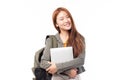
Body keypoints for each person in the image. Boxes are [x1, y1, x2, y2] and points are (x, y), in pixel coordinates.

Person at [40, 7, 86, 80]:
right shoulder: (51, 40)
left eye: (68, 17)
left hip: (74, 78)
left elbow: (80, 60)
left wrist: (57, 67)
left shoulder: (79, 38)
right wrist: (67, 71)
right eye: (61, 19)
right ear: (56, 24)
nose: (66, 20)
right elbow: (43, 62)